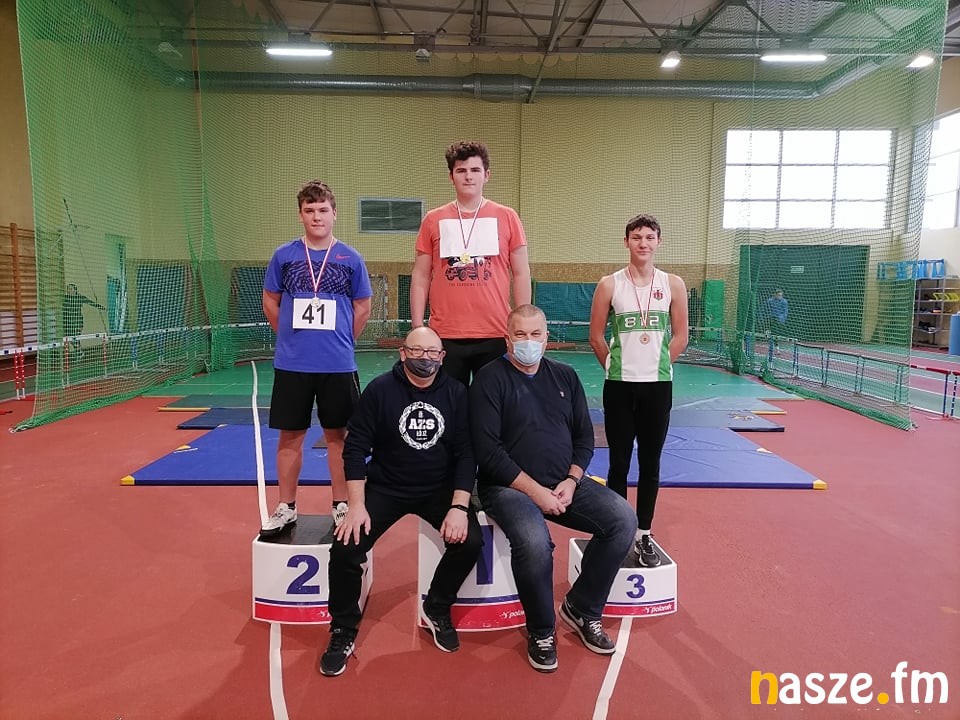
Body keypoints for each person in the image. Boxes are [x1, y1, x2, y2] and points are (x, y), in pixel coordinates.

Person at [470, 304, 637, 673]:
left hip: (564, 483)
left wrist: (572, 480)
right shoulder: (488, 379)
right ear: (507, 339)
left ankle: (582, 608)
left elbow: (584, 438)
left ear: (547, 338)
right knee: (534, 544)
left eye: (535, 334)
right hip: (507, 487)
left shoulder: (565, 376)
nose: (528, 341)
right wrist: (536, 492)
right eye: (520, 334)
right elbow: (488, 452)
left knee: (623, 520)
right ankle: (542, 630)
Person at [320, 326, 483, 676]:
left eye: (433, 352)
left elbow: (467, 453)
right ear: (403, 353)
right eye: (418, 351)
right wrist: (356, 505)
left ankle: (437, 606)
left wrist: (458, 506)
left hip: (438, 488)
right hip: (386, 488)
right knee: (346, 547)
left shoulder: (457, 393)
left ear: (442, 357)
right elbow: (355, 448)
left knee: (471, 541)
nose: (425, 358)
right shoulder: (380, 390)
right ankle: (343, 628)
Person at [260, 180, 372, 536]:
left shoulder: (350, 258)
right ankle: (286, 506)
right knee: (290, 436)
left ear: (334, 214)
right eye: (309, 210)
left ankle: (341, 504)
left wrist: (342, 340)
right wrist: (289, 337)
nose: (316, 216)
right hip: (292, 364)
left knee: (338, 436)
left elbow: (363, 306)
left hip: (337, 365)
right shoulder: (285, 256)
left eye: (323, 210)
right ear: (300, 215)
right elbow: (270, 301)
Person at [588, 214, 689, 568]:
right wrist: (615, 367)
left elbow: (681, 336)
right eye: (636, 237)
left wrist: (656, 366)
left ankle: (644, 533)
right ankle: (617, 532)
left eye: (649, 237)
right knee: (618, 463)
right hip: (619, 387)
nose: (643, 243)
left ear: (659, 242)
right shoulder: (609, 284)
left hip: (658, 388)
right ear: (626, 242)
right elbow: (596, 337)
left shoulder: (673, 284)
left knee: (650, 463)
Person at [410, 140, 532, 385]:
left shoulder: (507, 217)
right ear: (451, 176)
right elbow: (421, 276)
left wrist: (523, 325)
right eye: (461, 170)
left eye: (475, 170)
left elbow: (521, 273)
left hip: (496, 332)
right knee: (449, 404)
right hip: (445, 335)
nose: (468, 176)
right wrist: (417, 328)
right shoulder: (433, 219)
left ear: (487, 175)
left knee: (493, 403)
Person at [62, 283, 104, 357]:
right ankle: (79, 352)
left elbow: (90, 302)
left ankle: (79, 353)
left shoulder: (80, 297)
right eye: (67, 289)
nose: (68, 290)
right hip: (68, 322)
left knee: (76, 338)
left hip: (77, 322)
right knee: (70, 338)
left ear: (75, 290)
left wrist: (101, 307)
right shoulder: (65, 298)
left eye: (70, 289)